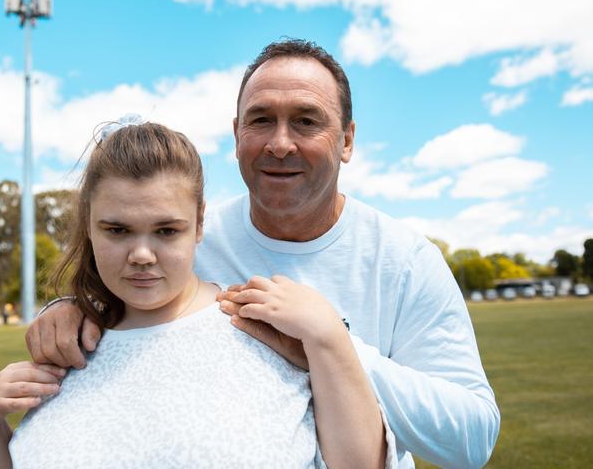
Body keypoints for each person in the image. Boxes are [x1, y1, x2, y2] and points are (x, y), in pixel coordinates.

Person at [26, 39, 501, 468]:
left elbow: (473, 439)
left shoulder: (404, 261)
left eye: (306, 121)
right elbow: (127, 299)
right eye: (261, 120)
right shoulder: (185, 237)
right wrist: (72, 310)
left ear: (348, 141)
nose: (279, 143)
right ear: (236, 136)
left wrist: (331, 345)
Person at [0, 119, 389, 468]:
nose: (142, 255)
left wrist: (329, 337)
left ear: (200, 223)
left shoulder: (267, 327)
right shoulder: (68, 348)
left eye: (167, 230)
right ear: (89, 225)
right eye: (117, 230)